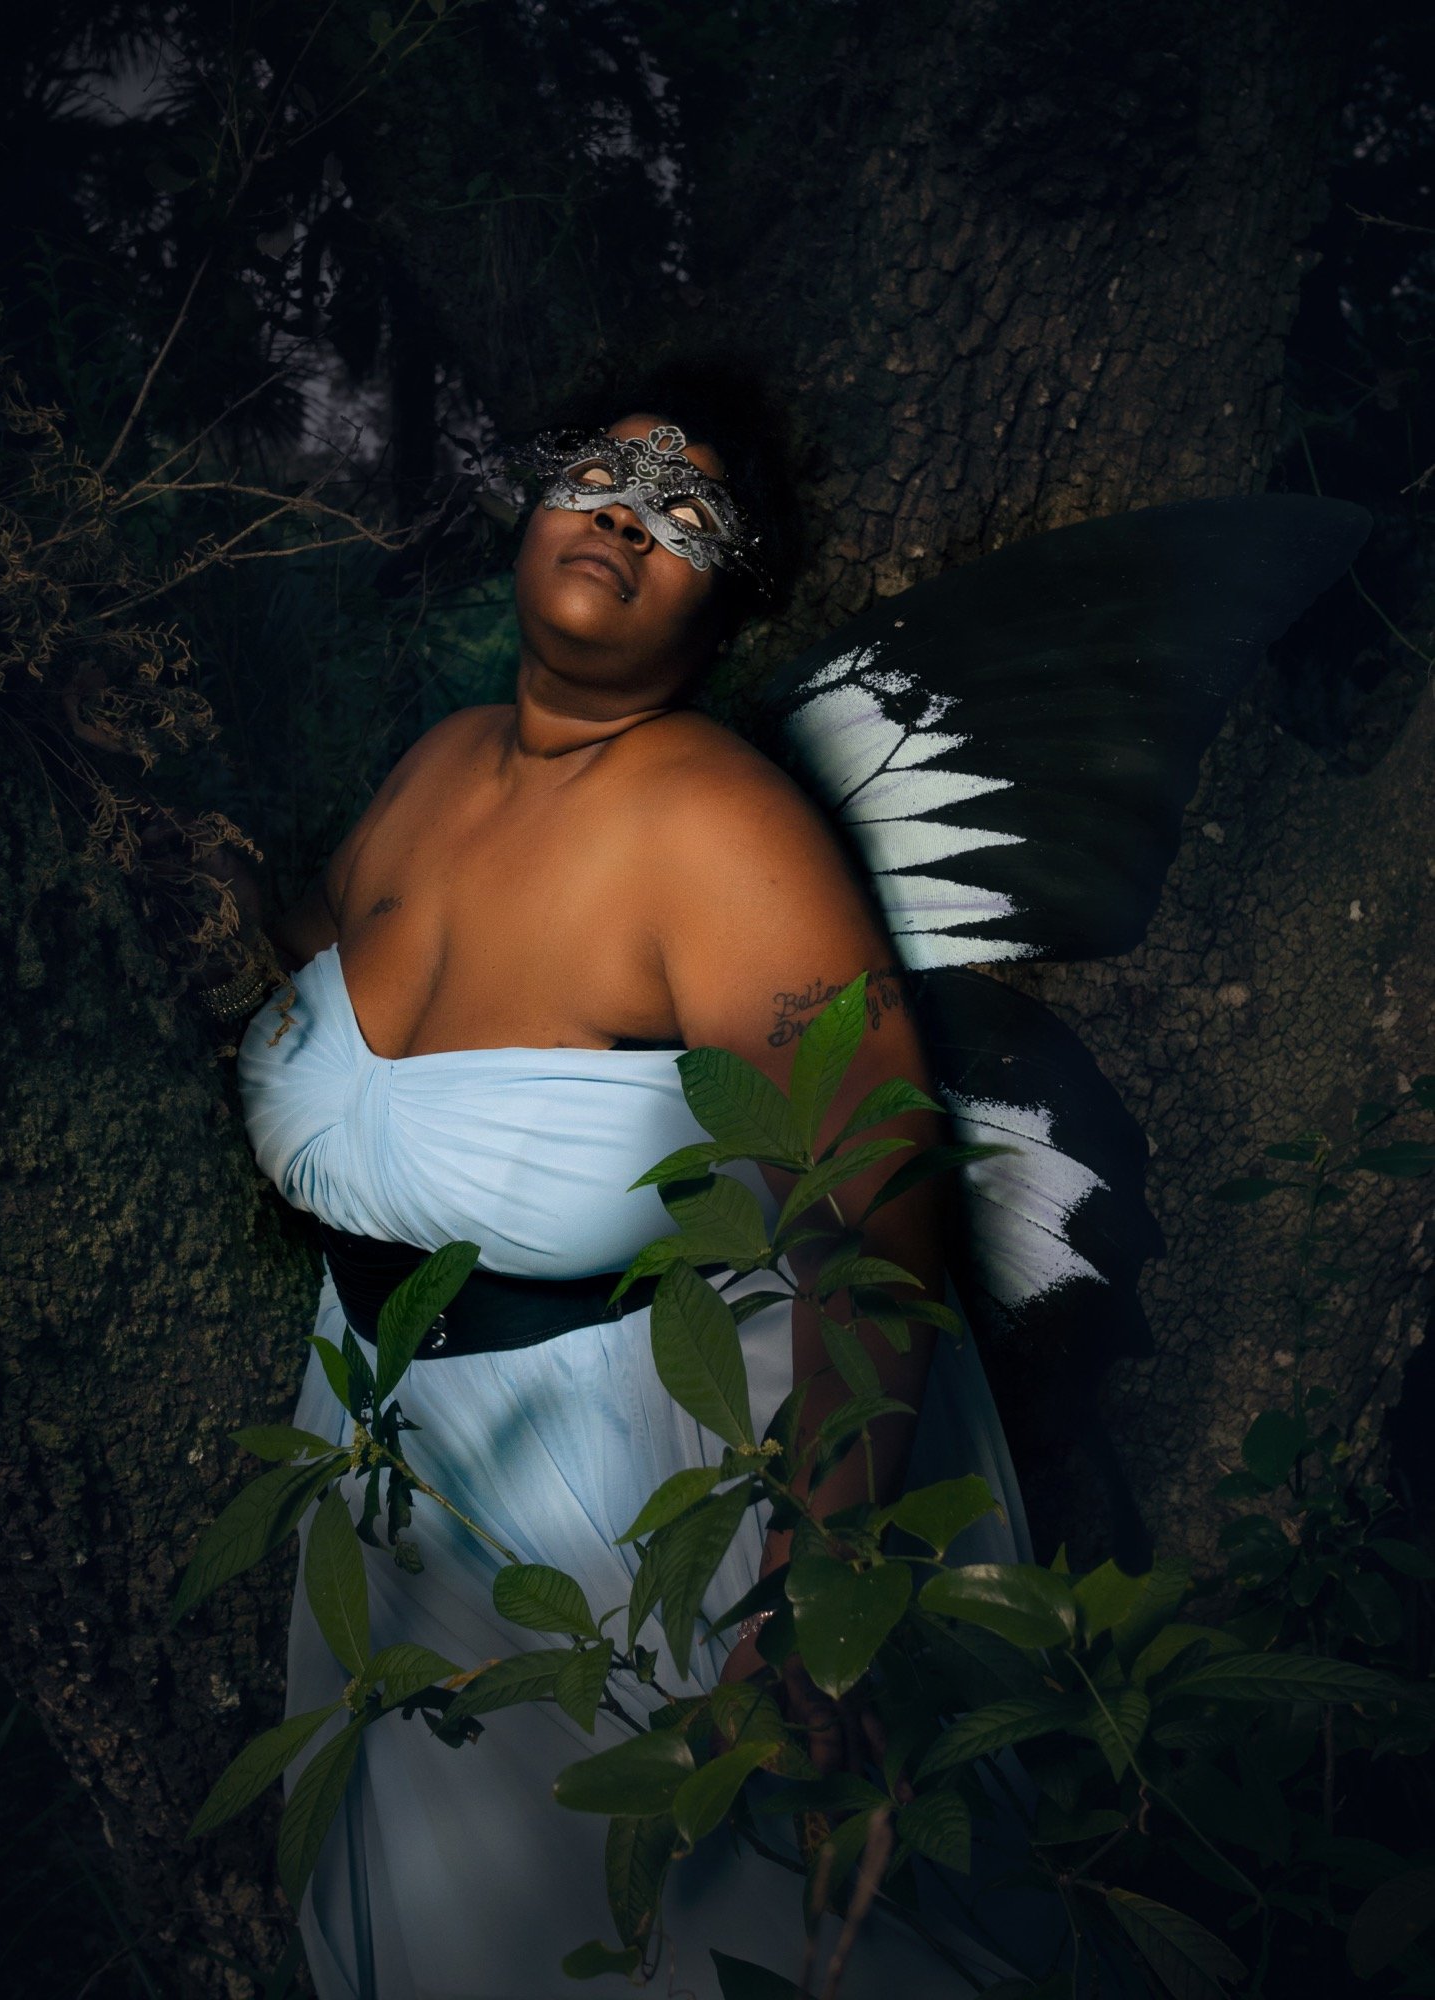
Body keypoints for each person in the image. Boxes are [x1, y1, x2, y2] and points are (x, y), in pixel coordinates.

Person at [228, 370, 1030, 1998]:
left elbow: (882, 1212)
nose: (626, 513)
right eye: (601, 472)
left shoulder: (714, 826)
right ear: (528, 513)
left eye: (688, 509)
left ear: (729, 594)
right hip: (366, 1462)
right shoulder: (438, 764)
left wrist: (815, 1586)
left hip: (601, 1499)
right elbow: (323, 988)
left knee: (638, 1942)